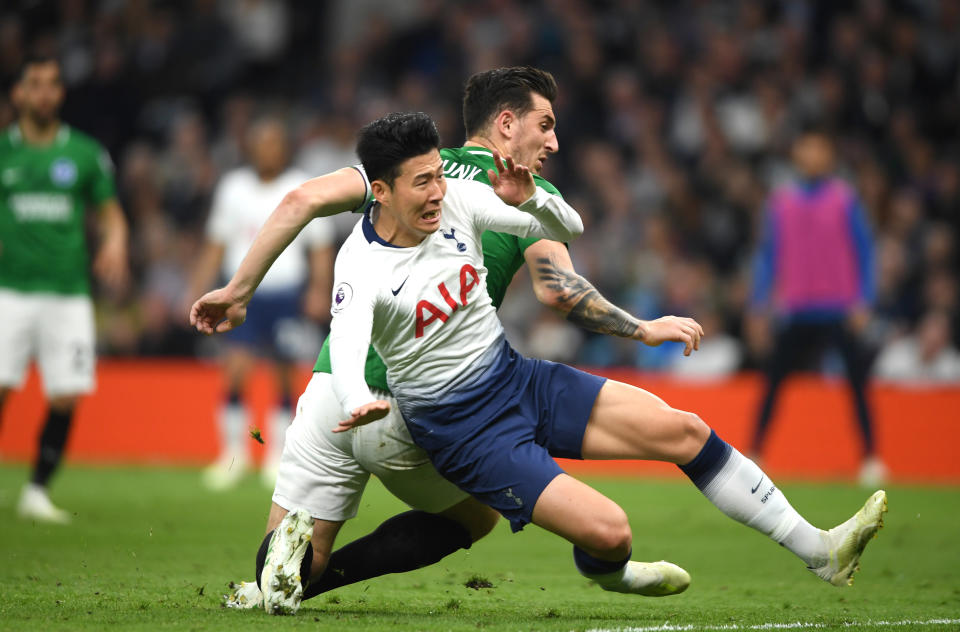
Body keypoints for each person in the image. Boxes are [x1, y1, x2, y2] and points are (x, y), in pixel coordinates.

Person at [193, 67, 704, 614]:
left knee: (287, 564)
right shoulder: (506, 191)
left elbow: (299, 200)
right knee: (477, 516)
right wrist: (641, 327)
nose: (551, 144)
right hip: (414, 404)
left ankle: (288, 579)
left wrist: (237, 290)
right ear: (507, 125)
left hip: (331, 391)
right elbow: (560, 289)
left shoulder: (389, 172)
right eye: (545, 128)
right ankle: (318, 582)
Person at [324, 112, 884, 603]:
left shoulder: (460, 200)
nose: (437, 193)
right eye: (422, 182)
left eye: (438, 176)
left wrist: (533, 199)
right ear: (380, 190)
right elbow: (346, 347)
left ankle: (821, 550)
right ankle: (612, 573)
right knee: (613, 533)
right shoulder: (359, 265)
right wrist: (353, 399)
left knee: (684, 430)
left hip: (516, 379)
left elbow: (569, 226)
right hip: (464, 430)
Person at [0, 56, 129, 523]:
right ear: (18, 93)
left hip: (68, 292)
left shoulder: (83, 153)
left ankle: (36, 490)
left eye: (52, 85)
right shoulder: (3, 152)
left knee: (66, 394)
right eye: (34, 84)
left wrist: (114, 242)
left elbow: (110, 210)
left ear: (60, 93)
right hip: (8, 290)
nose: (44, 93)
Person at [185, 116, 334, 490]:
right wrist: (199, 287)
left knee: (285, 375)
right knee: (236, 370)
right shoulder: (234, 188)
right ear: (250, 147)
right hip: (242, 295)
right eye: (262, 142)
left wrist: (319, 289)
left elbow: (319, 247)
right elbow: (216, 243)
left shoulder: (300, 187)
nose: (268, 149)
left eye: (274, 142)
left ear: (284, 147)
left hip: (287, 295)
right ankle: (231, 456)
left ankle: (274, 458)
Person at [747, 127, 886, 486]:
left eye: (818, 149)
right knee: (773, 382)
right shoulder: (782, 202)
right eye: (805, 149)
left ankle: (871, 457)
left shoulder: (845, 199)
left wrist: (864, 300)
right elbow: (767, 256)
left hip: (839, 307)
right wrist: (759, 304)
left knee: (857, 383)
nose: (811, 156)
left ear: (829, 156)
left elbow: (866, 251)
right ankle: (756, 454)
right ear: (797, 154)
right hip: (795, 307)